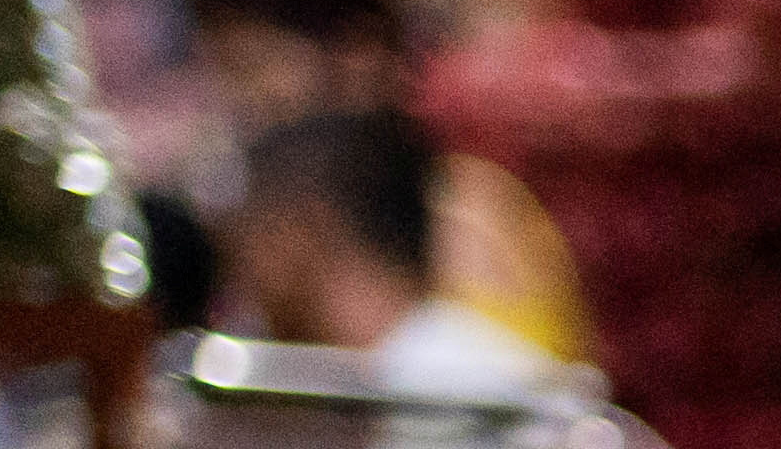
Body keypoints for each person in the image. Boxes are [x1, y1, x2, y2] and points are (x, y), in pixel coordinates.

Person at [181, 0, 593, 370]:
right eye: (221, 68)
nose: (237, 97)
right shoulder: (252, 213)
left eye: (254, 65)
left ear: (361, 56)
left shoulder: (460, 219)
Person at [224, 108, 563, 400]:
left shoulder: (471, 389)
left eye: (254, 225)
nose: (240, 258)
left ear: (303, 229)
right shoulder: (370, 372)